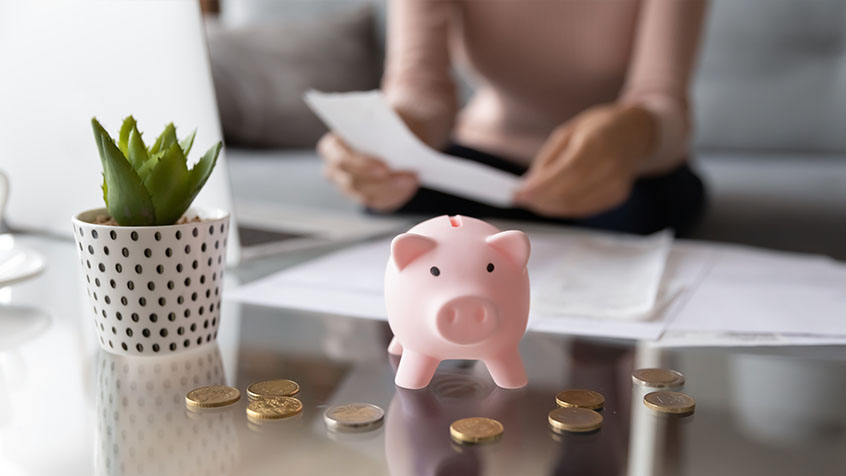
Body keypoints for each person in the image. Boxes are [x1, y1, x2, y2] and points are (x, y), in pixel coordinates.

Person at [318, 0, 708, 235]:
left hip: (623, 165)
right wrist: (384, 142)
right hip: (486, 158)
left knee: (638, 218)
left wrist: (630, 132)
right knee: (393, 203)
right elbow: (420, 88)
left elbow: (662, 98)